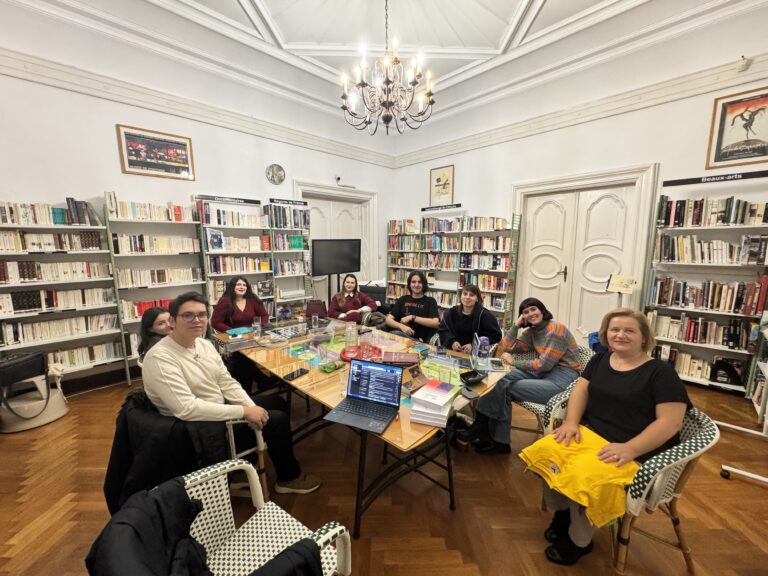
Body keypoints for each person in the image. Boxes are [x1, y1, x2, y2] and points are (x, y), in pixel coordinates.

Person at [540, 308, 690, 565]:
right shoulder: (600, 360)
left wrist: (631, 448)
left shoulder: (661, 373)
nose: (620, 335)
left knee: (585, 474)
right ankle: (563, 514)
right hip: (594, 435)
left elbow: (671, 422)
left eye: (629, 330)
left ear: (644, 337)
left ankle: (579, 540)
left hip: (636, 447)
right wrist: (572, 422)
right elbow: (580, 391)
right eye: (614, 330)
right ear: (606, 334)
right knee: (548, 451)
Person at [142, 292, 321, 495]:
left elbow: (226, 382)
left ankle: (243, 466)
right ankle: (288, 478)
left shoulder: (203, 344)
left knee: (277, 402)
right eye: (188, 315)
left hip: (218, 408)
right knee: (276, 420)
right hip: (199, 430)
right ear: (173, 321)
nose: (197, 320)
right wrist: (244, 412)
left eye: (202, 314)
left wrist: (250, 407)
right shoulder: (160, 358)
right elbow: (186, 409)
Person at [459, 297, 581, 455]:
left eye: (533, 309)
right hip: (544, 373)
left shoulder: (556, 330)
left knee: (504, 388)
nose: (530, 314)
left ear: (542, 310)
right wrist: (516, 325)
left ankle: (494, 436)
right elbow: (507, 347)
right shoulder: (532, 331)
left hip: (562, 378)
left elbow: (543, 365)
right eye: (525, 312)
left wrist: (513, 362)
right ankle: (485, 428)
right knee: (497, 378)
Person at [210, 276, 271, 392]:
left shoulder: (252, 299)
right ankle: (261, 381)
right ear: (232, 287)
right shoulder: (225, 301)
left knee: (246, 358)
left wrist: (258, 326)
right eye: (238, 284)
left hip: (253, 334)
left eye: (244, 285)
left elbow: (264, 315)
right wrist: (233, 331)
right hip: (234, 337)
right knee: (243, 357)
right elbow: (216, 322)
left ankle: (258, 381)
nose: (242, 287)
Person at [438, 284, 502, 352]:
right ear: (461, 296)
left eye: (471, 295)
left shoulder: (485, 315)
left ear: (477, 299)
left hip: (475, 354)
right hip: (452, 352)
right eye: (465, 294)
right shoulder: (451, 312)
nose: (467, 297)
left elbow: (496, 336)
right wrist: (452, 341)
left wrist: (474, 345)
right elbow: (443, 330)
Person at [385, 270, 440, 342]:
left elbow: (436, 323)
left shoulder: (430, 301)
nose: (416, 285)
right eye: (413, 282)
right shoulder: (403, 299)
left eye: (420, 282)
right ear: (409, 284)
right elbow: (388, 319)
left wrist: (412, 317)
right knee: (392, 334)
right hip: (402, 337)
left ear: (424, 284)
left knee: (394, 334)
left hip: (420, 341)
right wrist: (402, 327)